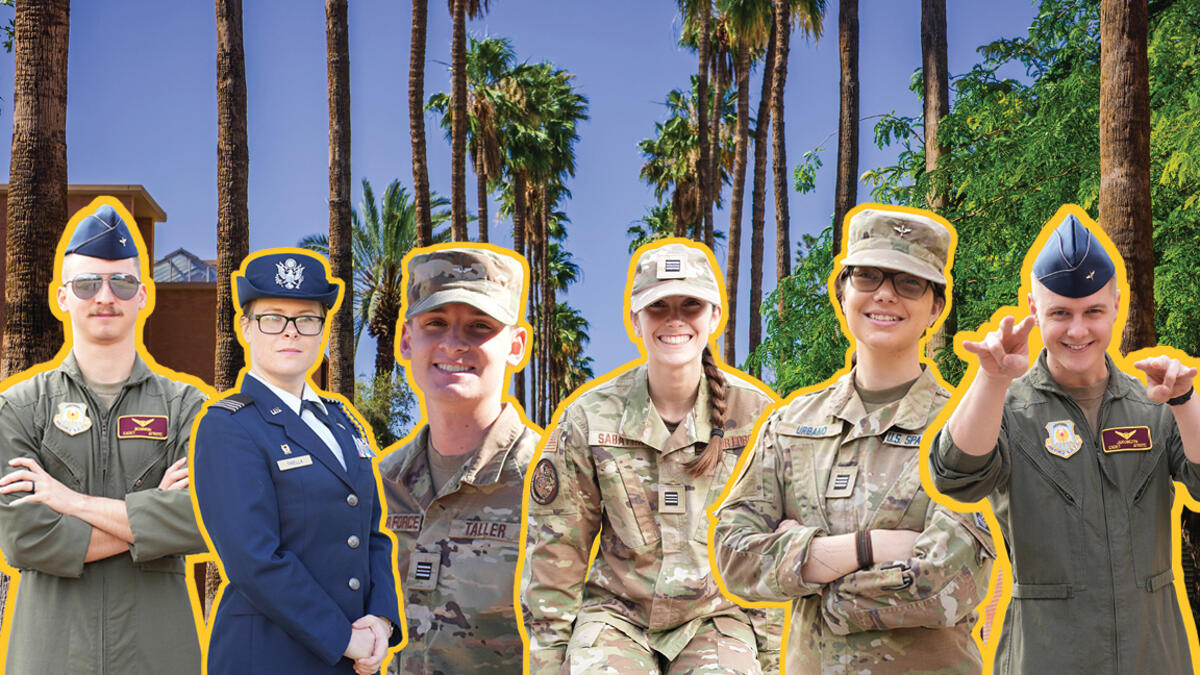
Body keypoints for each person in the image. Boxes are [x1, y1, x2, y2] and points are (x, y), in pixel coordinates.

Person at [713, 206, 995, 673]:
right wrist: (870, 547)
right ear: (842, 291)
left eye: (909, 282)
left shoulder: (969, 426)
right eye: (867, 277)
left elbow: (949, 584)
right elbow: (733, 556)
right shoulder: (789, 425)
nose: (885, 295)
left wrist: (817, 584)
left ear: (937, 308)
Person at [929, 209, 1200, 674]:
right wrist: (991, 380)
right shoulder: (1008, 409)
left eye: (1093, 311)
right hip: (1046, 655)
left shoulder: (1153, 403)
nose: (1078, 330)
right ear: (1035, 311)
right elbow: (957, 477)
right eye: (1061, 314)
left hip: (1153, 655)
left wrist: (1185, 400)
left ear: (1117, 304)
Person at [522, 240, 784, 674]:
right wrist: (551, 664)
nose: (675, 320)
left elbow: (768, 549)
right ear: (635, 321)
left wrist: (770, 661)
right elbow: (557, 551)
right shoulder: (589, 418)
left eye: (691, 306)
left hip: (714, 617)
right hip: (615, 616)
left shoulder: (756, 418)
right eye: (658, 306)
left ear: (714, 316)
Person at [0, 201, 210, 673]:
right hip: (51, 659)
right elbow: (23, 538)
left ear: (143, 296)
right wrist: (155, 514)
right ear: (62, 297)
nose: (105, 296)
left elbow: (205, 519)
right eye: (88, 283)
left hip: (158, 658)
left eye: (122, 282)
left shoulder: (187, 409)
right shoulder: (18, 410)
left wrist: (66, 501)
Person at [192, 249, 402, 674]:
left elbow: (372, 533)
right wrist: (345, 639)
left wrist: (380, 619)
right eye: (273, 318)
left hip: (353, 658)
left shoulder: (344, 422)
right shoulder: (229, 426)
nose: (291, 333)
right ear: (246, 329)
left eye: (306, 320)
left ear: (322, 333)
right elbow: (254, 559)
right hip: (268, 657)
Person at [378, 244, 537, 674]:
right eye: (436, 323)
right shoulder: (375, 487)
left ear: (516, 345)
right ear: (408, 340)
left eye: (480, 326)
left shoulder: (557, 480)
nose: (453, 343)